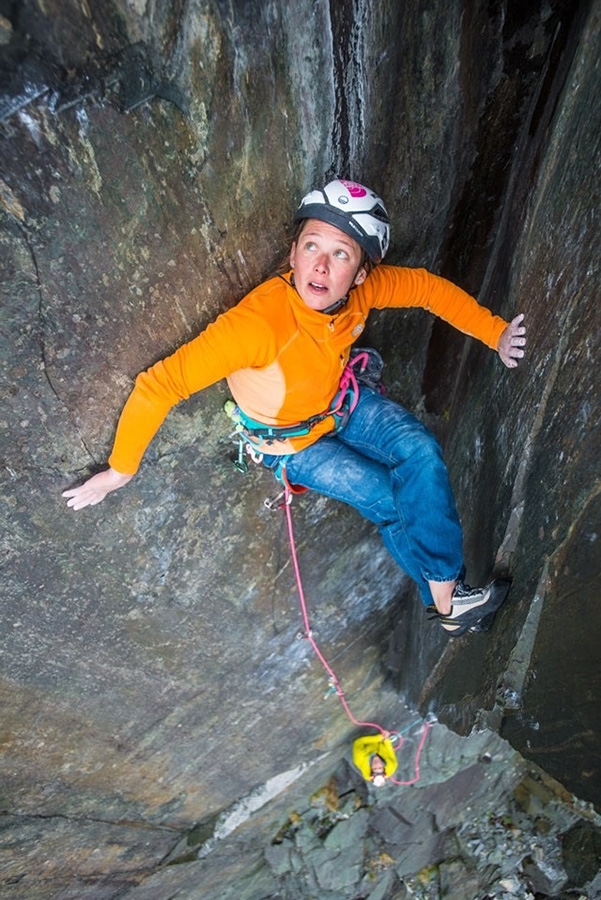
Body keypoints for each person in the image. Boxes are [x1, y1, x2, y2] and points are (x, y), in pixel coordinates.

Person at [63, 179, 526, 636]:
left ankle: (448, 600)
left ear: (362, 273)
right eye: (311, 247)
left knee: (420, 450)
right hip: (288, 444)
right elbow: (159, 385)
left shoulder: (364, 290)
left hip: (341, 400)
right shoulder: (258, 325)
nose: (321, 266)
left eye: (341, 254)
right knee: (386, 498)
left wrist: (495, 333)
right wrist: (119, 472)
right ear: (292, 253)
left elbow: (427, 290)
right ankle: (449, 602)